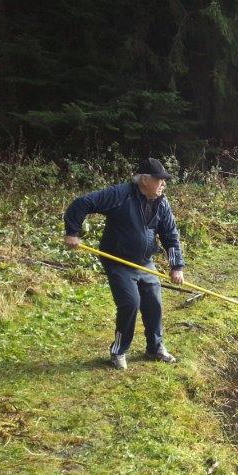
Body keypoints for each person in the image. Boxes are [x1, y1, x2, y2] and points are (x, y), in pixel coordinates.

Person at [63, 157, 185, 370]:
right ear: (145, 180)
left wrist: (176, 267)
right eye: (160, 179)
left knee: (154, 303)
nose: (164, 184)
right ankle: (118, 351)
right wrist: (72, 232)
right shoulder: (120, 194)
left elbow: (170, 236)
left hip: (145, 263)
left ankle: (155, 348)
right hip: (117, 261)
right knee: (130, 303)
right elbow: (83, 203)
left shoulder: (161, 203)